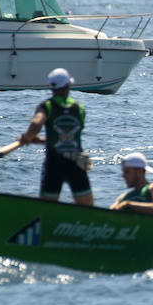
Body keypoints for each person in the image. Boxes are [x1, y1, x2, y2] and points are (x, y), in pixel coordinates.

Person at [19, 67, 92, 205]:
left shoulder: (47, 106)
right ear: (68, 85)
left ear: (50, 87)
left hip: (54, 163)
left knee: (47, 206)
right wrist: (39, 140)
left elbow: (36, 124)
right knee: (87, 206)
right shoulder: (80, 109)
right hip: (76, 162)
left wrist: (26, 138)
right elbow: (67, 138)